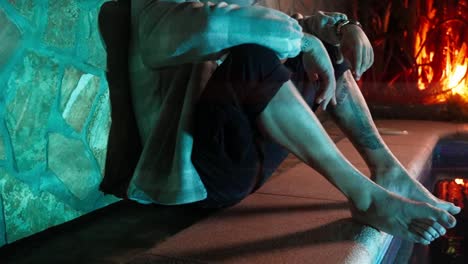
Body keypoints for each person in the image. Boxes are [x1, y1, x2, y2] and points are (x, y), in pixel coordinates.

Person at [121, 0, 461, 245]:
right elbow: (173, 36)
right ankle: (366, 199)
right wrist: (302, 41)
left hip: (245, 155)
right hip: (199, 172)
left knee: (321, 45)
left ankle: (389, 171)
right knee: (253, 56)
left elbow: (279, 22)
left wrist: (342, 29)